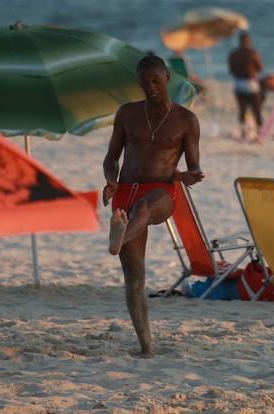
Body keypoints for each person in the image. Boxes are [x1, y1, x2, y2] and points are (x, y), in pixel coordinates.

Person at [102, 54, 204, 357]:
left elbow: (194, 168)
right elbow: (111, 158)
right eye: (144, 82)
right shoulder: (127, 113)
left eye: (155, 81)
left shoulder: (186, 119)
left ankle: (117, 239)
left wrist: (188, 176)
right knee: (134, 278)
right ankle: (146, 347)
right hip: (124, 191)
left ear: (167, 78)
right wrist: (111, 180)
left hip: (161, 191)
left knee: (145, 207)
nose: (150, 87)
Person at [228, 32, 264, 140]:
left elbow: (231, 70)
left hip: (239, 83)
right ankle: (258, 134)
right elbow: (260, 68)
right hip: (251, 84)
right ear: (248, 41)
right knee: (256, 110)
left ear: (240, 41)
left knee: (242, 110)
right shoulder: (252, 53)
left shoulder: (233, 54)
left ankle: (243, 133)